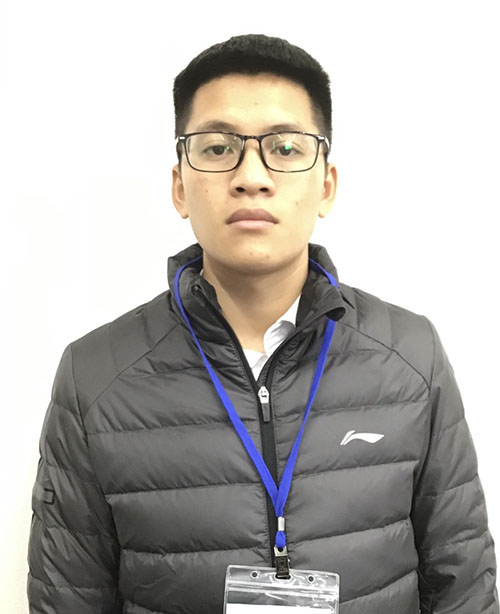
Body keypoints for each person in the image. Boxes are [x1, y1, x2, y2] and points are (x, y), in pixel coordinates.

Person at [27, 34, 498, 614]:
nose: (252, 176)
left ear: (326, 185)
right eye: (218, 147)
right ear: (180, 186)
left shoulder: (411, 356)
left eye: (285, 147)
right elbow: (67, 599)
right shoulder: (94, 377)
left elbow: (463, 584)